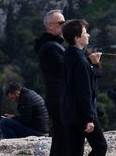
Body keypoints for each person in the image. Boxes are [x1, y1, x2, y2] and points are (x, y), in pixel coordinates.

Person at [60, 19, 107, 156]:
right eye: (85, 33)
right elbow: (85, 91)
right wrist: (89, 118)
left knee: (75, 151)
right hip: (82, 114)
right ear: (77, 38)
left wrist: (94, 64)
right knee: (100, 147)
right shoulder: (81, 61)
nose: (88, 35)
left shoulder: (67, 55)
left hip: (68, 112)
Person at [34, 9, 68, 156]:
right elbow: (65, 72)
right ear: (50, 26)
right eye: (61, 23)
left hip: (55, 96)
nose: (64, 25)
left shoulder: (51, 45)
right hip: (59, 97)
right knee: (64, 138)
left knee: (60, 138)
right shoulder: (52, 47)